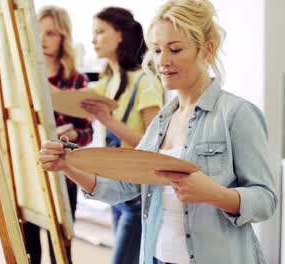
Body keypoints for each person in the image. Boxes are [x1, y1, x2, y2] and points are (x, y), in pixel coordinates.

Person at [39, 0, 278, 263]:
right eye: (156, 50)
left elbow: (265, 200)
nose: (162, 61)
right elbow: (125, 186)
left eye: (175, 49)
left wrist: (213, 193)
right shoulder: (162, 121)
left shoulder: (237, 114)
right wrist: (68, 166)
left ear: (207, 49)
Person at [80, 7, 164, 264]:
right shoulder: (108, 80)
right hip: (114, 187)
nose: (93, 39)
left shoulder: (146, 80)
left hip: (136, 192)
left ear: (120, 36)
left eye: (100, 32)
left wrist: (108, 120)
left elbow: (152, 145)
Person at [24, 5, 93, 264]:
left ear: (63, 37)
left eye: (51, 33)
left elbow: (87, 132)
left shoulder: (77, 80)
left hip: (65, 175)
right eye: (38, 32)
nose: (42, 39)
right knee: (30, 247)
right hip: (29, 173)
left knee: (61, 249)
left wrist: (72, 133)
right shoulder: (23, 77)